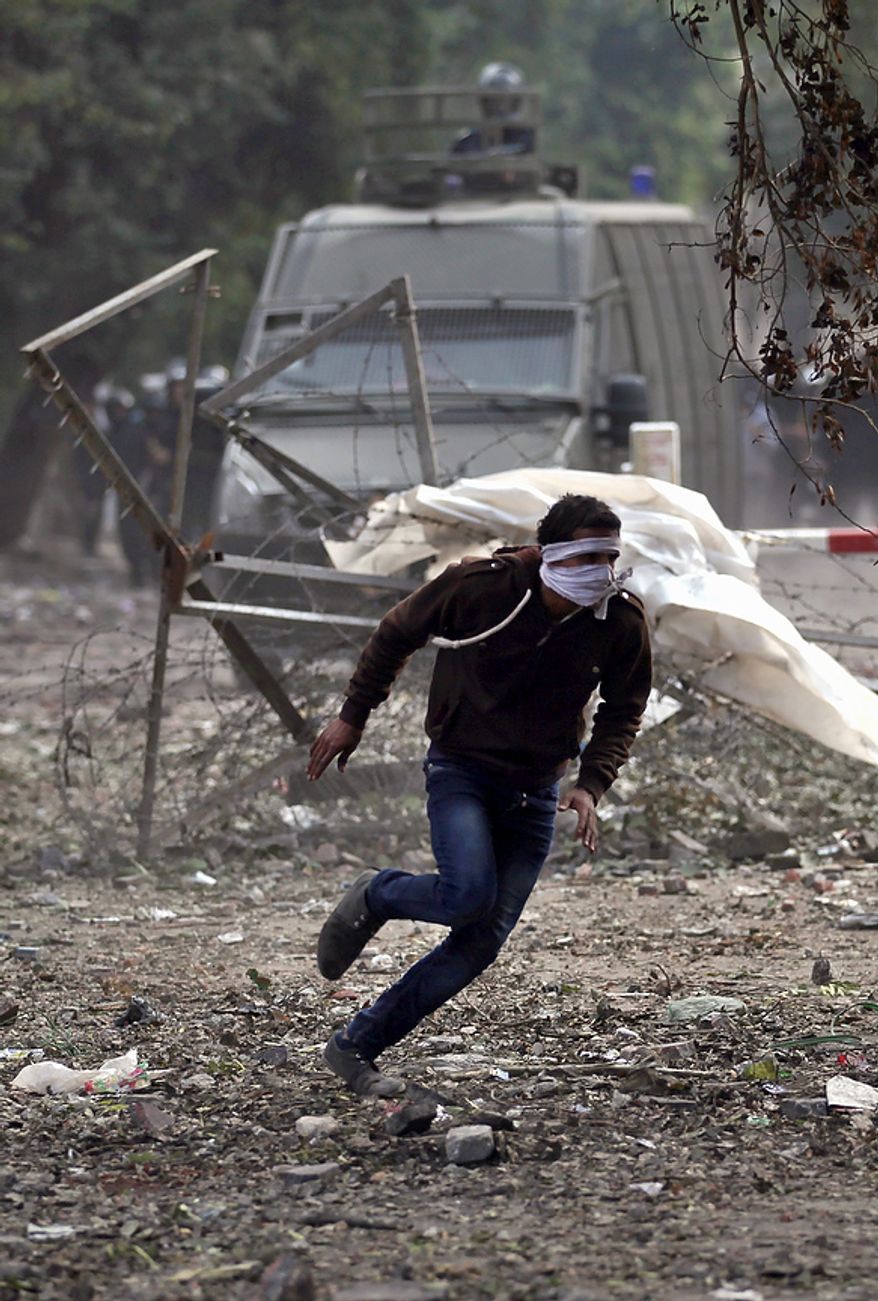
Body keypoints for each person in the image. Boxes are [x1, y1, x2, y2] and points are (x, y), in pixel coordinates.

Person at [307, 493, 652, 1097]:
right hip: (463, 770)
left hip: (537, 792)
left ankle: (356, 1045)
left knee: (480, 942)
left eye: (608, 557)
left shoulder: (619, 621)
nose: (596, 570)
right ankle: (377, 892)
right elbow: (397, 632)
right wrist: (353, 715)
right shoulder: (483, 589)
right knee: (467, 894)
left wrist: (591, 784)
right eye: (583, 556)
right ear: (548, 554)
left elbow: (625, 710)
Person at [452, 62, 535, 157]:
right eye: (493, 100)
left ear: (515, 101)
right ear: (484, 101)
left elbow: (526, 152)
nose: (499, 106)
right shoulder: (469, 140)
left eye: (504, 100)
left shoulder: (523, 135)